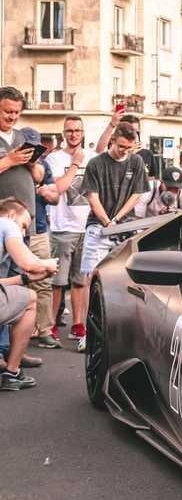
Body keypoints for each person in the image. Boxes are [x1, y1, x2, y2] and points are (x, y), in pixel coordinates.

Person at [0, 198, 58, 390]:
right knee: (30, 298)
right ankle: (12, 373)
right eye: (23, 226)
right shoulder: (7, 223)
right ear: (12, 215)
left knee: (18, 293)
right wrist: (47, 264)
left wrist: (26, 279)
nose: (23, 233)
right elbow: (28, 263)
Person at [80, 121, 149, 279]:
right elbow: (93, 198)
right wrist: (107, 222)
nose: (125, 151)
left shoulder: (136, 161)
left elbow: (136, 195)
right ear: (112, 140)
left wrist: (116, 219)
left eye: (129, 147)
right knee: (91, 277)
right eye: (121, 146)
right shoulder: (96, 163)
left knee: (125, 278)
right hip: (99, 226)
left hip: (126, 225)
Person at [46, 114, 89, 343]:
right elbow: (59, 187)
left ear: (83, 133)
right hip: (62, 227)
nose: (74, 134)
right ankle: (51, 325)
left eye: (77, 130)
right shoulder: (54, 158)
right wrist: (75, 164)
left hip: (86, 228)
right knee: (58, 282)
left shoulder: (90, 156)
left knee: (79, 281)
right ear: (64, 133)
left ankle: (77, 324)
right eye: (70, 130)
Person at [0, 86, 47, 235]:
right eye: (8, 112)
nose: (12, 117)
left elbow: (39, 177)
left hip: (24, 223)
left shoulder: (24, 137)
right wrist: (9, 161)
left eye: (17, 112)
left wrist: (33, 165)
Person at [30, 142, 60, 349]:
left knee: (43, 280)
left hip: (38, 230)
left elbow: (55, 198)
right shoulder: (10, 163)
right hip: (11, 229)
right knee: (12, 282)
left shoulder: (43, 165)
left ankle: (45, 331)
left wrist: (46, 193)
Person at [96, 109, 155, 174]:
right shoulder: (115, 152)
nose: (134, 134)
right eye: (132, 131)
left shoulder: (147, 154)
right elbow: (99, 150)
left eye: (137, 131)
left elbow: (150, 178)